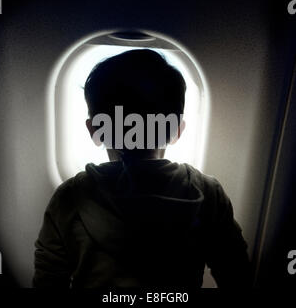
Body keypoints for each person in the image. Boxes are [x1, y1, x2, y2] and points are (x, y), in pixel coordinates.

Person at [33, 49, 251, 288]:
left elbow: (48, 281)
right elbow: (237, 276)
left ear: (95, 130)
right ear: (176, 129)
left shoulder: (69, 198)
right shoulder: (207, 194)